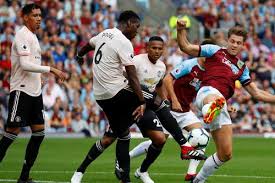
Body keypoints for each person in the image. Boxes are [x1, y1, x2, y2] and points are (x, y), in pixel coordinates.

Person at [71, 35, 205, 183]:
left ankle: (143, 171)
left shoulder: (161, 66)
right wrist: (151, 97)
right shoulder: (137, 60)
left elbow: (159, 84)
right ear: (147, 48)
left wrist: (164, 99)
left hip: (145, 108)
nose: (156, 51)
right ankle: (80, 170)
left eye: (160, 49)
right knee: (107, 140)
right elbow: (123, 77)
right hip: (126, 106)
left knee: (160, 139)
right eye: (153, 48)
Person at [176, 20, 275, 183]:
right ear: (228, 40)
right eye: (232, 41)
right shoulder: (215, 51)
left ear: (243, 45)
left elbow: (256, 93)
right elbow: (186, 47)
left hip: (221, 104)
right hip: (207, 92)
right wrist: (181, 30)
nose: (234, 45)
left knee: (225, 154)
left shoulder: (242, 68)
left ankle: (198, 180)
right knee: (215, 97)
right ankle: (210, 108)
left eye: (239, 43)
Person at [72, 10, 146, 183]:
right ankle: (180, 141)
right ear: (128, 23)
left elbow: (88, 45)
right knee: (151, 96)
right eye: (136, 26)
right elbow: (132, 75)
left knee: (119, 136)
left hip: (100, 96)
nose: (137, 31)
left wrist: (80, 55)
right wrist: (141, 101)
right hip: (116, 93)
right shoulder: (123, 41)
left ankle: (81, 172)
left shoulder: (104, 34)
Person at [0, 3, 66, 183]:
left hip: (35, 93)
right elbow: (25, 65)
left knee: (39, 133)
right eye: (35, 15)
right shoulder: (22, 35)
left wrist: (39, 79)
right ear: (25, 17)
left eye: (40, 15)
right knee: (11, 133)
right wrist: (51, 69)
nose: (39, 18)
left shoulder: (33, 37)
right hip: (21, 91)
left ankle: (23, 177)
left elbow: (31, 65)